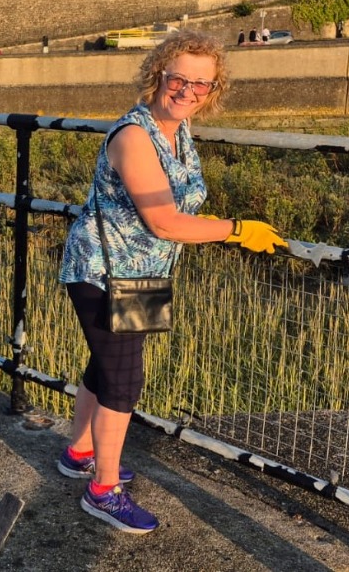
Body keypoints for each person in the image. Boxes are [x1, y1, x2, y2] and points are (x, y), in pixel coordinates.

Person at [57, 30, 286, 534]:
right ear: (157, 75)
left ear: (213, 90)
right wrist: (237, 230)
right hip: (102, 271)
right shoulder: (135, 136)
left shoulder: (179, 132)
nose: (186, 90)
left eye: (200, 84)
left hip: (146, 273)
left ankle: (79, 453)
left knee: (108, 363)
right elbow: (165, 222)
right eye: (177, 77)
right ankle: (103, 491)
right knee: (124, 379)